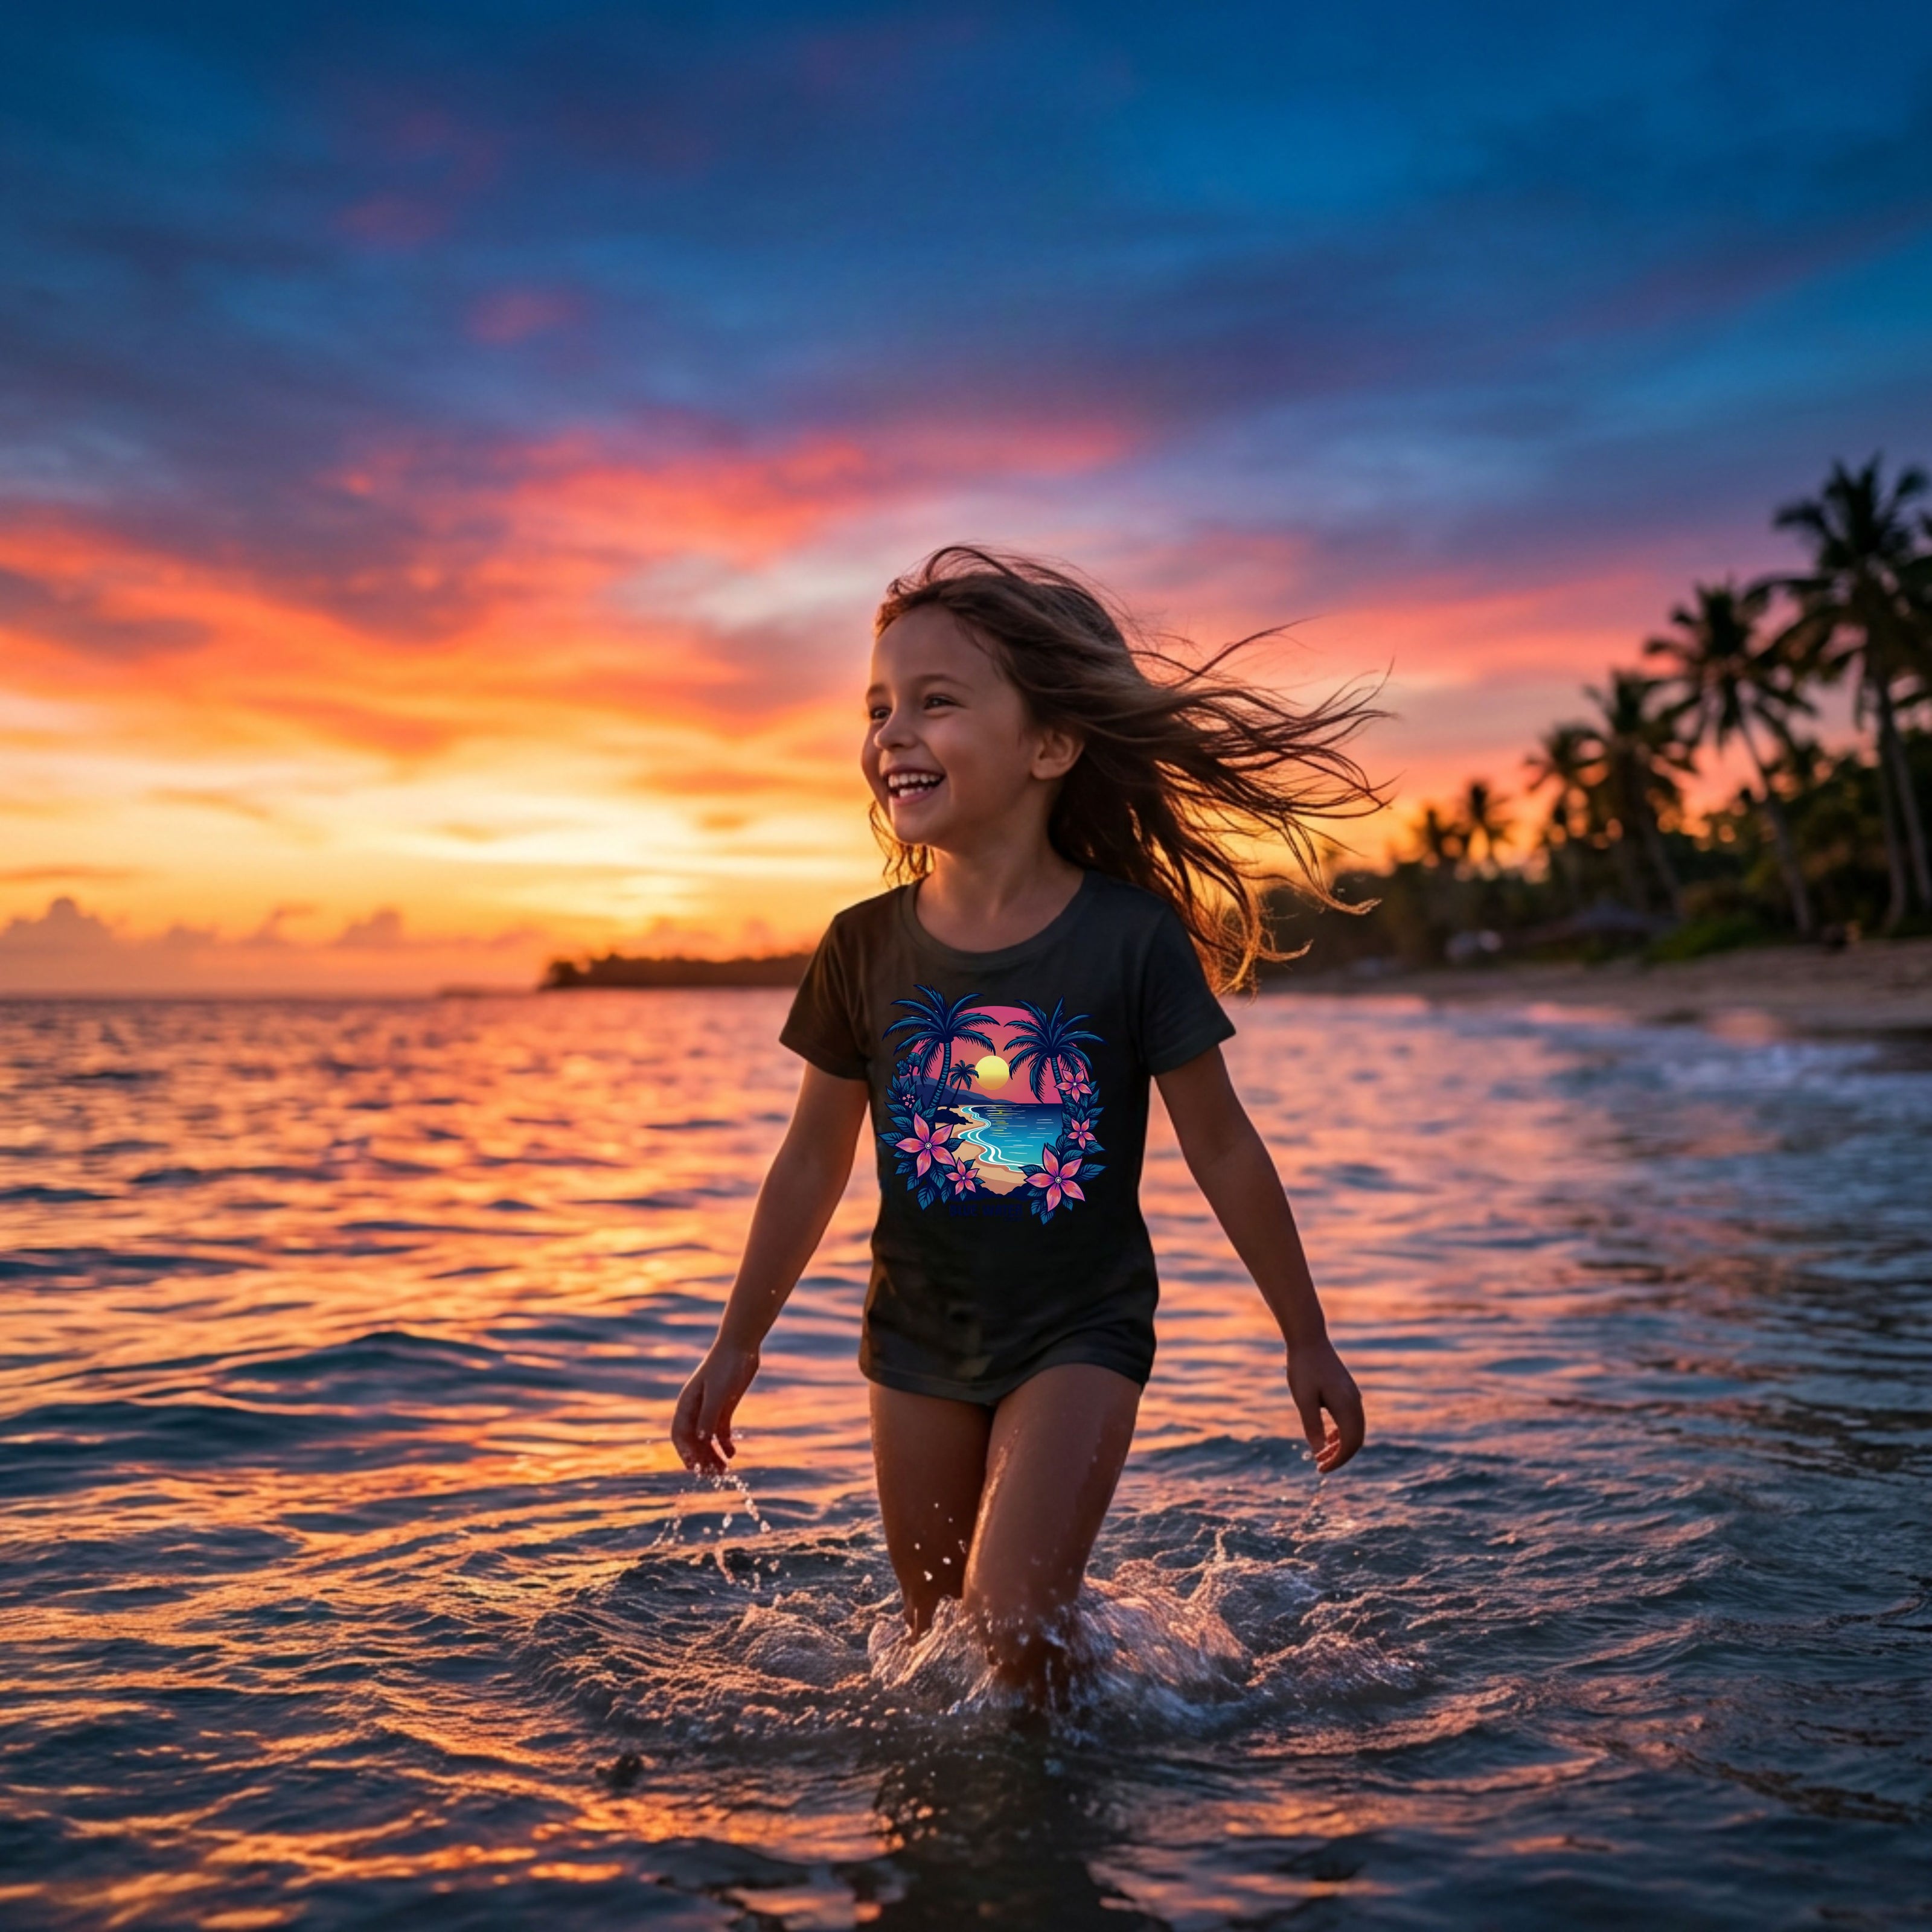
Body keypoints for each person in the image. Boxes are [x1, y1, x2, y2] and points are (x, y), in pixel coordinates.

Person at [671, 546, 1376, 1702]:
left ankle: (1077, 1826)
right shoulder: (862, 946)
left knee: (1010, 1627)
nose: (893, 733)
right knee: (936, 1657)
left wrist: (1306, 1336)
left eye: (937, 703)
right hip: (916, 1340)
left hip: (1080, 1332)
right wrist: (736, 1341)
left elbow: (1224, 1147)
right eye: (880, 707)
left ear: (1050, 745)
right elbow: (811, 1159)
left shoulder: (1127, 940)